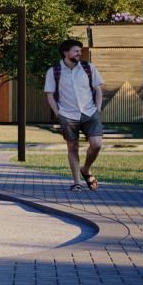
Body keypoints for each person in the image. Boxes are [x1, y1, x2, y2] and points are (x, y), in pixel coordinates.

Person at [43, 39, 105, 192]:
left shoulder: (88, 68)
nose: (79, 53)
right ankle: (77, 182)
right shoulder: (54, 71)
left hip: (90, 112)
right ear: (65, 52)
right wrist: (58, 114)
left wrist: (97, 109)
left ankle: (86, 169)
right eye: (76, 51)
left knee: (96, 144)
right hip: (67, 115)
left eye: (80, 51)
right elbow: (50, 95)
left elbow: (98, 89)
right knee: (72, 147)